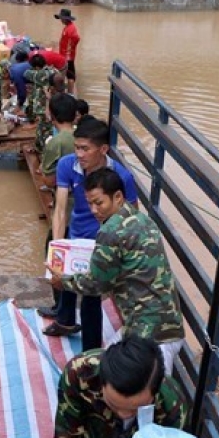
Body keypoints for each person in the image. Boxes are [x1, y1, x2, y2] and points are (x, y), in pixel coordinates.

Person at [47, 168, 185, 372]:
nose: (94, 210)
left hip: (149, 337)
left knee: (144, 395)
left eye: (99, 203)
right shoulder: (143, 220)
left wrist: (63, 282)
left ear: (118, 197)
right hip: (170, 326)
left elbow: (95, 284)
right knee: (109, 363)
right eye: (90, 203)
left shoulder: (110, 231)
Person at [47, 118, 138, 351]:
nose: (79, 153)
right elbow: (59, 208)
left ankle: (90, 351)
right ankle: (65, 320)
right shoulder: (67, 165)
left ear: (103, 149)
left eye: (85, 149)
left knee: (90, 293)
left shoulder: (122, 177)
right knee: (63, 273)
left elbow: (132, 217)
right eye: (77, 147)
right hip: (76, 233)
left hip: (102, 240)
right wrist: (59, 245)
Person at [53, 338, 187, 438]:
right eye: (113, 405)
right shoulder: (79, 375)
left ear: (155, 392)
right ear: (102, 381)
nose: (124, 414)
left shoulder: (172, 404)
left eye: (135, 409)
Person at [37, 93, 79, 320]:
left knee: (56, 253)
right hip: (84, 207)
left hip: (66, 206)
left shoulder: (57, 143)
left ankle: (59, 308)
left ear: (52, 115)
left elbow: (48, 180)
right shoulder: (82, 138)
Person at [24, 54, 55, 152]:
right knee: (44, 126)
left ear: (36, 67)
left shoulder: (39, 74)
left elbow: (26, 74)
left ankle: (43, 150)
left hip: (44, 105)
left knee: (44, 128)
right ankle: (38, 147)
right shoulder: (54, 70)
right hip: (54, 103)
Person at [56, 8, 80, 94]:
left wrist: (69, 51)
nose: (61, 20)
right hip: (65, 55)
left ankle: (70, 93)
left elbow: (76, 38)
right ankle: (68, 92)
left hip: (67, 56)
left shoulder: (71, 29)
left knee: (70, 75)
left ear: (65, 19)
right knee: (68, 73)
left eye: (61, 18)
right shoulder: (68, 27)